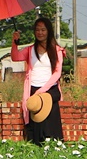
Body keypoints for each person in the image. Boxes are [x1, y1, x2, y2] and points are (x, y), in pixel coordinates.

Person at [11, 17, 64, 145]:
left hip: (49, 90)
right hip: (33, 90)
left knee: (51, 123)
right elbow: (15, 57)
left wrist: (42, 90)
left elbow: (57, 73)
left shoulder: (57, 50)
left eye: (43, 30)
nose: (40, 32)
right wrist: (14, 42)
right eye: (37, 30)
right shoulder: (30, 50)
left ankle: (54, 148)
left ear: (48, 31)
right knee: (36, 124)